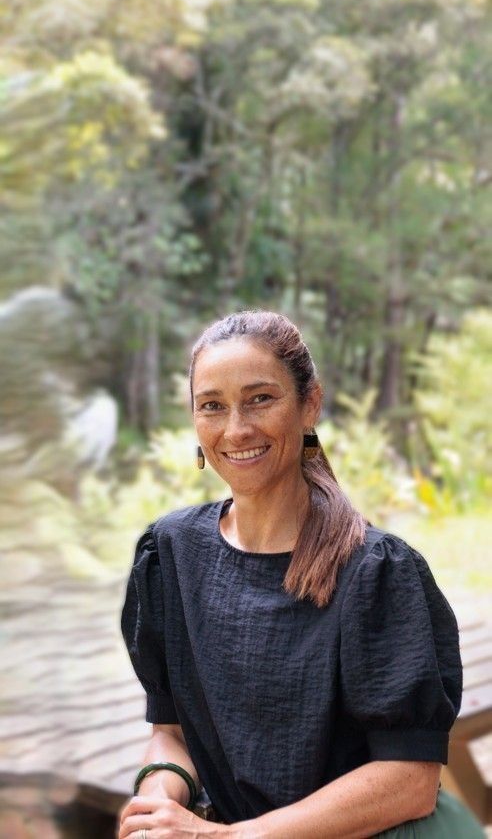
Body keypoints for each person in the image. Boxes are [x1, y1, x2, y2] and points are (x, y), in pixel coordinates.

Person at [119, 310, 484, 838]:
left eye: (260, 399)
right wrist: (159, 796)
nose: (236, 429)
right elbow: (171, 732)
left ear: (310, 404)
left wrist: (226, 836)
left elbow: (410, 780)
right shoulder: (169, 554)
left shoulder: (378, 571)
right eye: (212, 406)